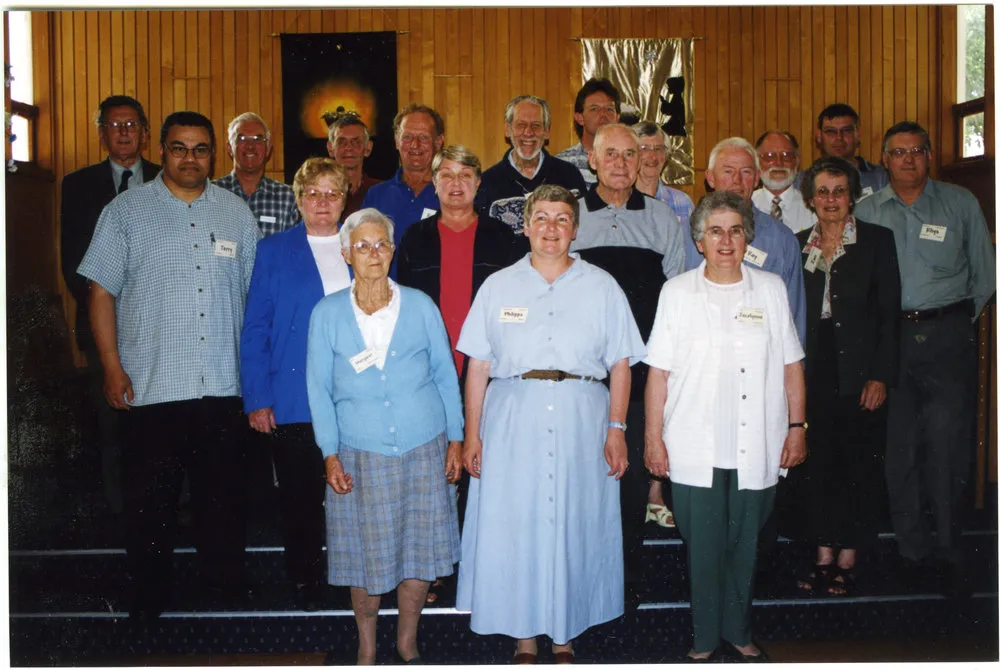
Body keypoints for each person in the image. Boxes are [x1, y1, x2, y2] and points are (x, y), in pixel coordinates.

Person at [77, 110, 262, 620]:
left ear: (213, 155)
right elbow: (100, 292)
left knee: (222, 499)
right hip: (152, 384)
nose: (189, 158)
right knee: (150, 503)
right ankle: (149, 596)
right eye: (179, 148)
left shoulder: (236, 215)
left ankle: (223, 586)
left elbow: (255, 298)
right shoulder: (125, 212)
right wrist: (111, 366)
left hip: (223, 384)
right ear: (161, 151)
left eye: (200, 149)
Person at [456, 184, 645, 664]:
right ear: (525, 225)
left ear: (575, 229)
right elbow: (478, 366)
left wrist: (617, 428)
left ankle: (565, 634)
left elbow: (621, 363)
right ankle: (524, 636)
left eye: (562, 219)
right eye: (541, 217)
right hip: (512, 416)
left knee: (573, 522)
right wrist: (472, 435)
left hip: (583, 415)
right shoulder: (498, 286)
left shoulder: (602, 286)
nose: (551, 228)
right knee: (518, 524)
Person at [644, 191, 806, 661]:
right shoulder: (677, 293)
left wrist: (797, 427)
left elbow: (791, 365)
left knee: (746, 543)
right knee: (703, 548)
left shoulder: (770, 289)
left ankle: (738, 630)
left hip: (757, 441)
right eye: (715, 231)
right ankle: (703, 640)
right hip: (694, 443)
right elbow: (658, 374)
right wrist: (653, 439)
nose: (726, 241)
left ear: (747, 237)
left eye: (735, 230)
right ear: (699, 241)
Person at [305, 208, 463, 665]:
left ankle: (407, 642)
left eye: (381, 244)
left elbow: (444, 375)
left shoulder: (420, 305)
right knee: (365, 558)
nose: (373, 253)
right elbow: (318, 389)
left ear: (393, 251)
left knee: (420, 552)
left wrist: (455, 438)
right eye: (362, 246)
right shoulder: (327, 313)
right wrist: (329, 453)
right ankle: (367, 647)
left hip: (424, 446)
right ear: (346, 254)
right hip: (360, 451)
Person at [855, 121, 996, 596]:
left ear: (929, 155)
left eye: (917, 150)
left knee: (948, 447)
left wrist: (952, 323)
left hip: (946, 339)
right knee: (900, 451)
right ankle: (911, 552)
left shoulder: (959, 203)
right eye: (898, 152)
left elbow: (985, 276)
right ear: (884, 159)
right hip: (890, 341)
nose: (908, 160)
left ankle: (950, 552)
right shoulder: (867, 212)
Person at [571, 121, 685, 605]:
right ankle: (581, 584)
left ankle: (625, 584)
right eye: (611, 154)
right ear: (592, 160)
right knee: (582, 481)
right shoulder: (571, 215)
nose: (621, 163)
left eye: (630, 154)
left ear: (642, 161)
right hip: (582, 374)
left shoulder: (661, 219)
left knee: (630, 482)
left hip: (639, 374)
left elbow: (677, 299)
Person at [240, 157, 352, 611]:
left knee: (351, 492)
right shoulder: (273, 251)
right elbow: (255, 328)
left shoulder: (362, 244)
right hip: (293, 396)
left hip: (355, 395)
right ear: (298, 199)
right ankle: (305, 579)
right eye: (313, 193)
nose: (322, 202)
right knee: (300, 494)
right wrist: (258, 397)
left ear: (345, 199)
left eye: (332, 193)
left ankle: (353, 577)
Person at [792, 156, 901, 596]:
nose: (831, 199)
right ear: (810, 199)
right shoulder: (799, 244)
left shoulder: (876, 241)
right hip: (815, 365)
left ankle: (849, 558)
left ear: (852, 196)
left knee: (859, 463)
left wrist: (880, 375)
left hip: (860, 367)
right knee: (819, 462)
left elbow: (889, 314)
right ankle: (822, 556)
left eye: (839, 191)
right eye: (822, 192)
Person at [60, 94, 160, 515]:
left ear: (145, 133)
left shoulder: (166, 178)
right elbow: (74, 265)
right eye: (114, 125)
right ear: (101, 132)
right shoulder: (77, 185)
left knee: (159, 421)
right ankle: (118, 511)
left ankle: (166, 507)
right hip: (102, 325)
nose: (123, 132)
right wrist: (110, 314)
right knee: (111, 422)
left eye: (131, 125)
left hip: (158, 323)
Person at [397, 144, 525, 375]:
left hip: (489, 361)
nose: (456, 183)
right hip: (428, 361)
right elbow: (404, 306)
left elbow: (515, 303)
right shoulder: (414, 238)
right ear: (435, 182)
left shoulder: (502, 236)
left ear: (478, 182)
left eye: (465, 175)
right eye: (447, 175)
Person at [689, 136, 807, 346]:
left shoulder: (781, 239)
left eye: (746, 172)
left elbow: (794, 317)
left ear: (757, 178)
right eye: (728, 171)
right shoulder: (686, 234)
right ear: (710, 178)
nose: (737, 180)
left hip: (761, 356)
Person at [474, 95, 586, 233]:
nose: (528, 132)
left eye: (536, 125)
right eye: (521, 125)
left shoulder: (569, 176)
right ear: (508, 130)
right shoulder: (488, 182)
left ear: (546, 132)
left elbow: (583, 230)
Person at [361, 103, 445, 268]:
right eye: (407, 137)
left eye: (424, 137)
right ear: (396, 141)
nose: (415, 144)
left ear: (438, 142)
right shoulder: (376, 195)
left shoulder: (451, 195)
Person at [214, 112, 300, 236]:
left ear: (268, 148)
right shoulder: (211, 193)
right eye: (242, 139)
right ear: (229, 148)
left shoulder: (287, 197)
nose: (250, 146)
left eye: (258, 139)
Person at [812, 103, 889, 198]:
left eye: (846, 131)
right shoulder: (800, 181)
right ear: (819, 136)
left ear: (858, 134)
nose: (839, 138)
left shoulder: (882, 178)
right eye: (831, 132)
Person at [556, 78, 621, 185]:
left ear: (617, 118)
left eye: (609, 109)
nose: (603, 114)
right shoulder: (561, 164)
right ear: (580, 118)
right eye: (594, 109)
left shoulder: (628, 162)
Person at [632, 120, 696, 228]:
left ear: (666, 155)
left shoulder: (682, 203)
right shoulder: (620, 202)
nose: (653, 156)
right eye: (645, 149)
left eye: (658, 149)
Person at [752, 130, 815, 234]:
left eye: (786, 156)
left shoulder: (812, 207)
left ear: (797, 161)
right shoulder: (747, 204)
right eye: (770, 156)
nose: (779, 163)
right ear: (757, 161)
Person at [325, 111, 381, 220]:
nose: (348, 148)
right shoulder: (320, 194)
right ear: (330, 148)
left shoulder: (382, 192)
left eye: (356, 142)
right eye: (341, 142)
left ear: (368, 148)